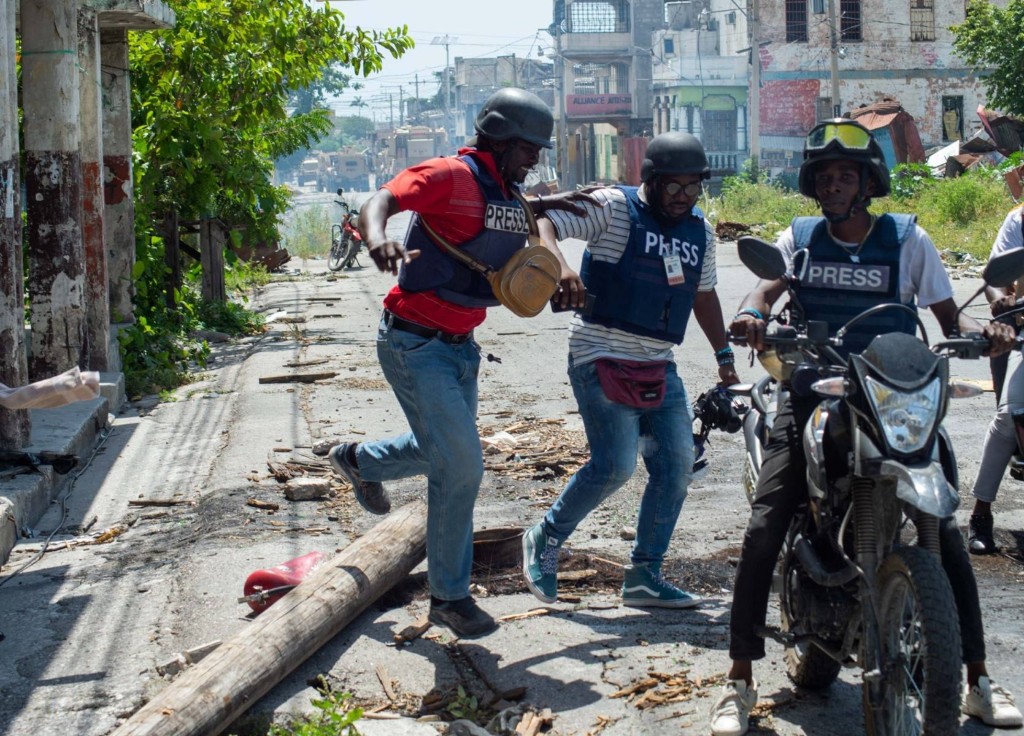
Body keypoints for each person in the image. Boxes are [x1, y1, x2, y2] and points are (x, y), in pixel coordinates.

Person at [710, 119, 1023, 735]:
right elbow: (765, 290)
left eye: (845, 175)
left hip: (892, 399)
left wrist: (989, 329)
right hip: (814, 392)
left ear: (868, 183)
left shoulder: (908, 239)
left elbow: (947, 316)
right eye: (824, 176)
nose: (833, 185)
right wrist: (750, 315)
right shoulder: (799, 238)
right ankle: (739, 678)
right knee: (765, 526)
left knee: (945, 531)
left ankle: (978, 680)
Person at [328, 88, 590, 639]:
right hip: (414, 343)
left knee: (439, 451)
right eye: (528, 147)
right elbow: (381, 201)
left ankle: (357, 461)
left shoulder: (508, 192)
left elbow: (519, 219)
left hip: (460, 348)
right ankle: (449, 597)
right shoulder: (448, 175)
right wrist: (377, 240)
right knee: (462, 465)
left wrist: (556, 230)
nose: (534, 157)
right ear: (498, 139)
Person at [520, 131, 740, 610]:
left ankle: (644, 575)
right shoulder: (614, 207)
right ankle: (545, 538)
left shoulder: (700, 231)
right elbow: (541, 220)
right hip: (600, 352)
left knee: (677, 466)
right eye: (674, 186)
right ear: (652, 180)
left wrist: (725, 357)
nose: (683, 196)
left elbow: (703, 294)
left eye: (693, 186)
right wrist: (561, 267)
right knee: (615, 466)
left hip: (658, 362)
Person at [969, 205, 1024, 555]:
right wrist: (1001, 298)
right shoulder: (1019, 220)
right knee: (1009, 415)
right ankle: (981, 512)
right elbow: (994, 278)